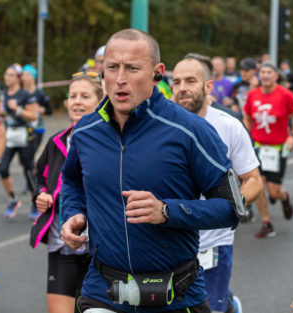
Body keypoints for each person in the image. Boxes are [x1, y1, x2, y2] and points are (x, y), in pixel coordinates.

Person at [61, 28, 240, 313]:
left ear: (157, 72)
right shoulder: (85, 130)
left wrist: (167, 211)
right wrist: (72, 213)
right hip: (104, 293)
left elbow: (231, 209)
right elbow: (71, 180)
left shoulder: (190, 130)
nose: (120, 79)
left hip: (175, 296)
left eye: (132, 68)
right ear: (101, 72)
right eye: (112, 68)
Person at [173, 53, 262, 313]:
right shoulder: (159, 126)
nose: (182, 88)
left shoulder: (229, 126)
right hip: (169, 239)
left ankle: (225, 303)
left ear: (208, 86)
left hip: (213, 240)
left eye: (190, 81)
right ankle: (229, 301)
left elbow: (253, 179)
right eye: (176, 82)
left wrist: (231, 207)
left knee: (210, 308)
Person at [33, 72, 102, 313]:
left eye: (85, 96)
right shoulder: (57, 141)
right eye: (73, 96)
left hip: (101, 248)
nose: (77, 101)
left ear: (100, 101)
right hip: (62, 241)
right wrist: (41, 194)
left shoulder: (112, 142)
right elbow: (39, 176)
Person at [243, 62, 293, 238]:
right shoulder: (253, 95)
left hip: (278, 149)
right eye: (262, 72)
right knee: (259, 184)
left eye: (269, 72)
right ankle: (266, 222)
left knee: (274, 192)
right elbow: (247, 116)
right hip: (258, 147)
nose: (266, 75)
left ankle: (284, 198)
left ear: (276, 75)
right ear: (259, 75)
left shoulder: (285, 95)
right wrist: (247, 134)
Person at [0, 64, 38, 218]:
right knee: (3, 168)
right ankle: (12, 199)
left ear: (17, 78)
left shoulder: (25, 94)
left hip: (25, 137)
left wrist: (18, 109)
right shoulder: (3, 93)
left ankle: (35, 203)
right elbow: (1, 113)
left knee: (28, 171)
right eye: (5, 74)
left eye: (10, 75)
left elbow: (33, 116)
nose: (7, 78)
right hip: (9, 136)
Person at [21, 64, 52, 152]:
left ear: (33, 77)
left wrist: (41, 110)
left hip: (36, 129)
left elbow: (49, 111)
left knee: (31, 156)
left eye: (27, 75)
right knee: (24, 157)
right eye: (23, 75)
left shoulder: (40, 94)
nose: (24, 78)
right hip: (21, 128)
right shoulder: (19, 92)